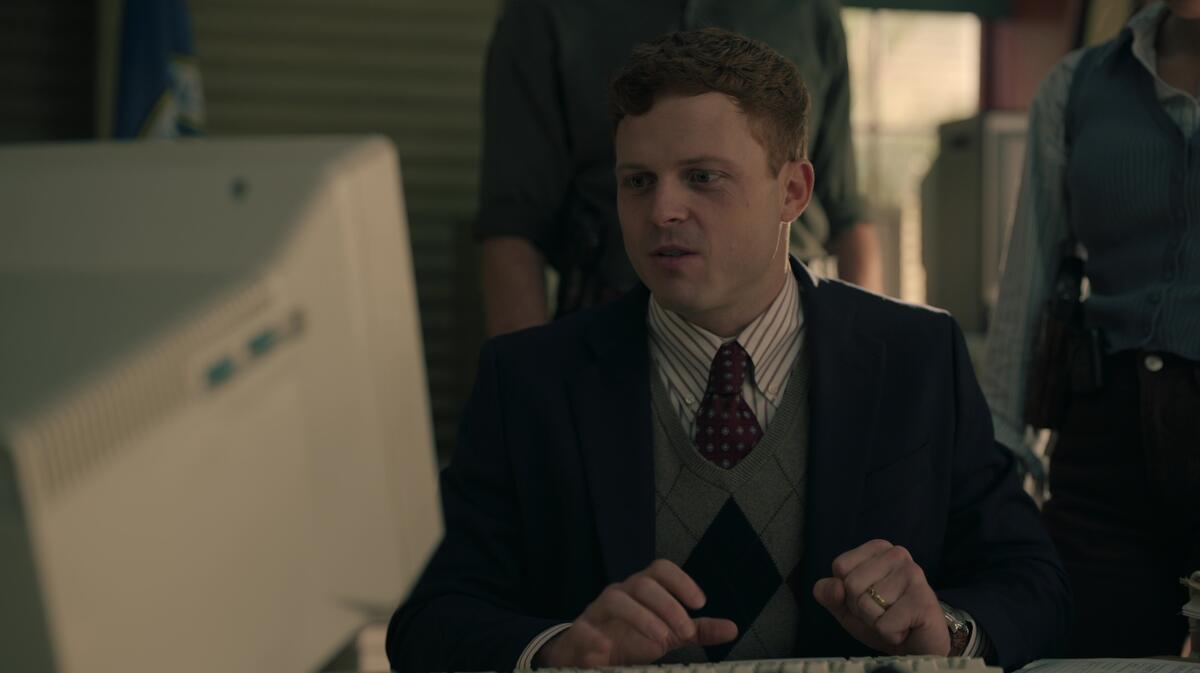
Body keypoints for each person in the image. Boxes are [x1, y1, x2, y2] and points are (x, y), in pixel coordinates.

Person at [390, 29, 1068, 673]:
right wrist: (561, 651)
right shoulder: (529, 381)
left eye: (702, 177)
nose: (662, 211)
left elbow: (1034, 583)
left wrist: (946, 631)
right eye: (638, 181)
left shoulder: (917, 358)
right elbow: (429, 620)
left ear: (793, 192)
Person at [982, 0, 1200, 658]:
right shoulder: (1077, 84)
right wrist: (998, 461)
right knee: (1087, 656)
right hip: (1103, 444)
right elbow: (1027, 279)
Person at [477, 0, 883, 337]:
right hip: (613, 322)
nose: (666, 209)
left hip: (795, 318)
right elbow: (513, 224)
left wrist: (856, 352)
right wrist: (528, 387)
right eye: (640, 180)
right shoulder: (545, 13)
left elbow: (847, 211)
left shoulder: (809, 12)